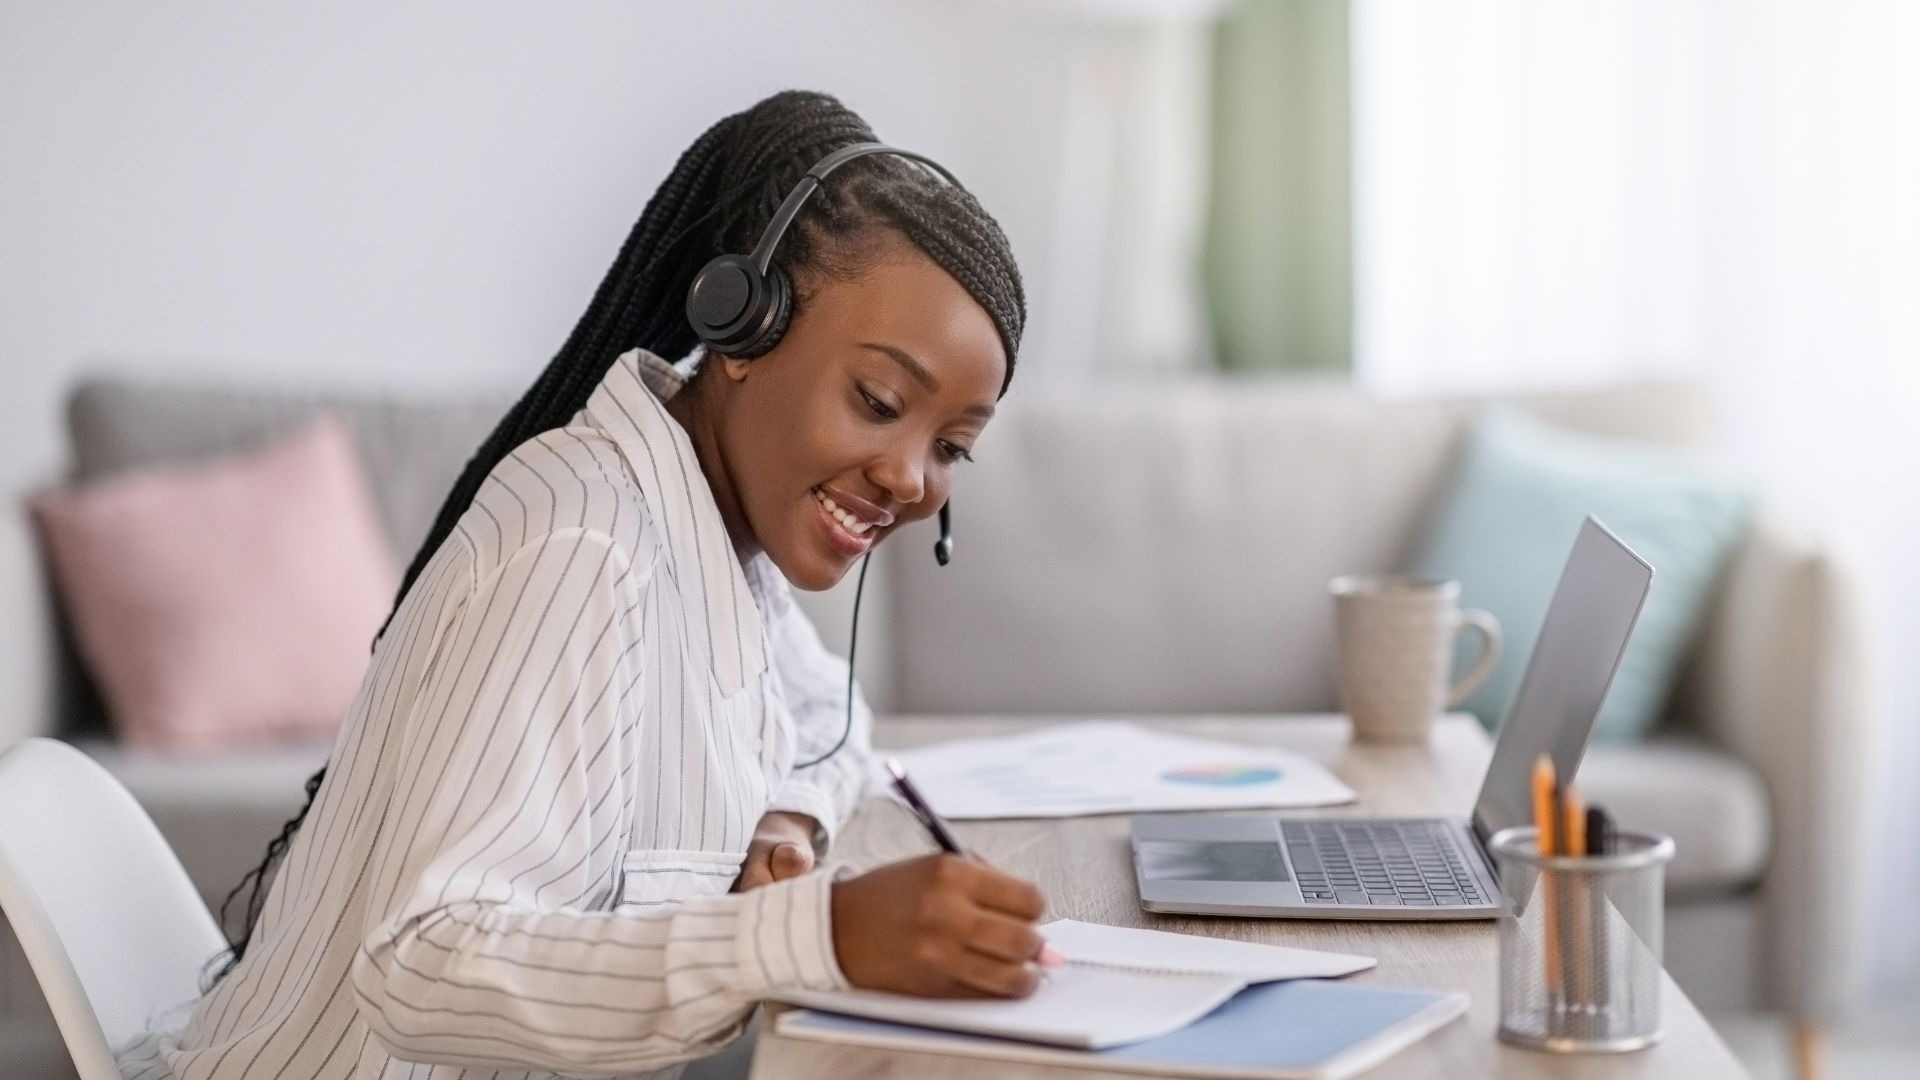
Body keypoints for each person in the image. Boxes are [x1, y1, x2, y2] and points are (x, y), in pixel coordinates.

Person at [117, 89, 1047, 1080]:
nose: (911, 478)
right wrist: (816, 935)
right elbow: (423, 968)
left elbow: (835, 716)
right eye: (879, 401)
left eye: (950, 447)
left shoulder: (723, 545)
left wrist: (786, 820)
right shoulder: (587, 548)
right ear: (743, 328)